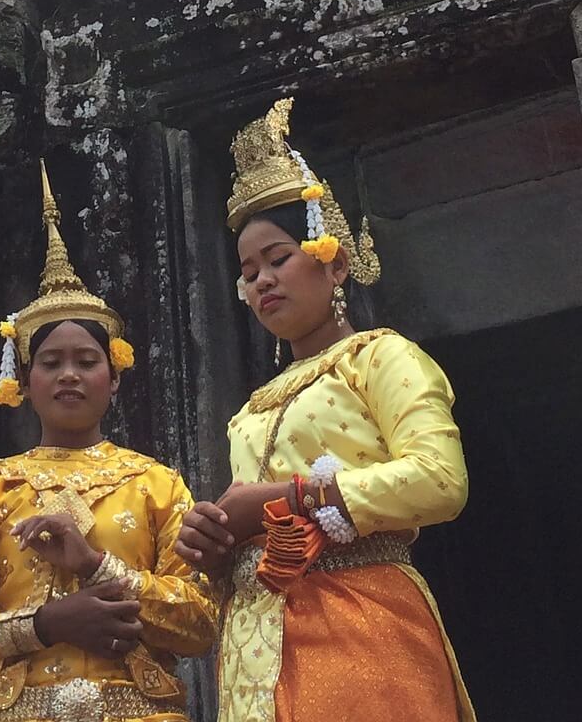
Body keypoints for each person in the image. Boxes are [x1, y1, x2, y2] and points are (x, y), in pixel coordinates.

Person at [175, 98, 476, 722]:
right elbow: (251, 531)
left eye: (279, 257)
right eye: (248, 271)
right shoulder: (249, 412)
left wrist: (286, 496)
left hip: (362, 617)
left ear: (333, 260)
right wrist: (216, 547)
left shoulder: (380, 358)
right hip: (258, 644)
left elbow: (440, 481)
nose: (262, 281)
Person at [0, 162, 217, 722]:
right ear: (25, 383)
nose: (69, 376)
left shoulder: (157, 484)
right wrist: (45, 625)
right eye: (51, 363)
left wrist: (98, 567)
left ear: (116, 377)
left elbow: (200, 621)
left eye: (87, 361)